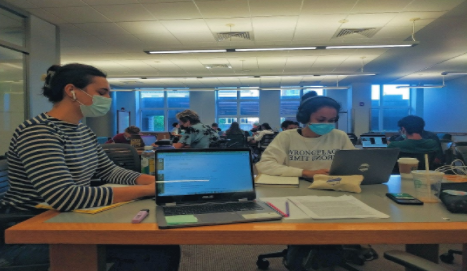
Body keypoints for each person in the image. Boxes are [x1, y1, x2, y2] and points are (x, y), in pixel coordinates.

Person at [0, 64, 180, 270]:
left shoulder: (83, 132)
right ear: (71, 91)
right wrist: (149, 190)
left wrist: (156, 181)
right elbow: (64, 196)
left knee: (161, 242)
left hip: (67, 219)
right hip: (31, 231)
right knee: (153, 250)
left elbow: (109, 171)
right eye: (101, 92)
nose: (107, 99)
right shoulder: (39, 132)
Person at [256, 91, 354, 178]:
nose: (326, 124)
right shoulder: (286, 137)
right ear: (305, 117)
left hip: (331, 186)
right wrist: (305, 173)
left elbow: (355, 164)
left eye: (331, 120)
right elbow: (265, 165)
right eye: (321, 119)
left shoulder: (339, 136)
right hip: (294, 188)